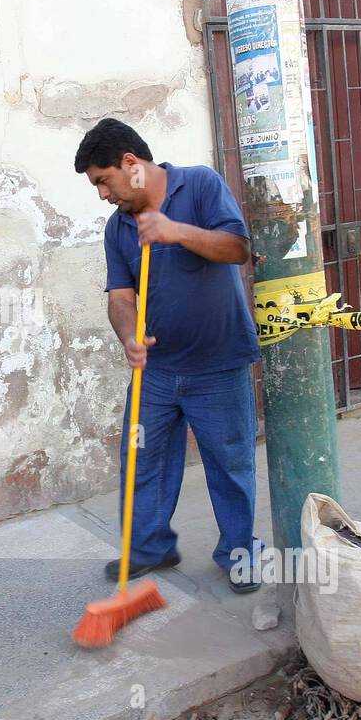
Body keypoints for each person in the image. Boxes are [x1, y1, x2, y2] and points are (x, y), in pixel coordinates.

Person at [75, 118, 263, 593]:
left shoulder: (199, 185)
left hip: (218, 364)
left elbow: (237, 248)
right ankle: (150, 547)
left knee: (230, 466)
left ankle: (240, 554)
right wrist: (126, 337)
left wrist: (176, 231)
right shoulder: (118, 227)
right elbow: (121, 295)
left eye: (103, 181)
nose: (102, 195)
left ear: (130, 164)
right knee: (143, 460)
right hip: (155, 371)